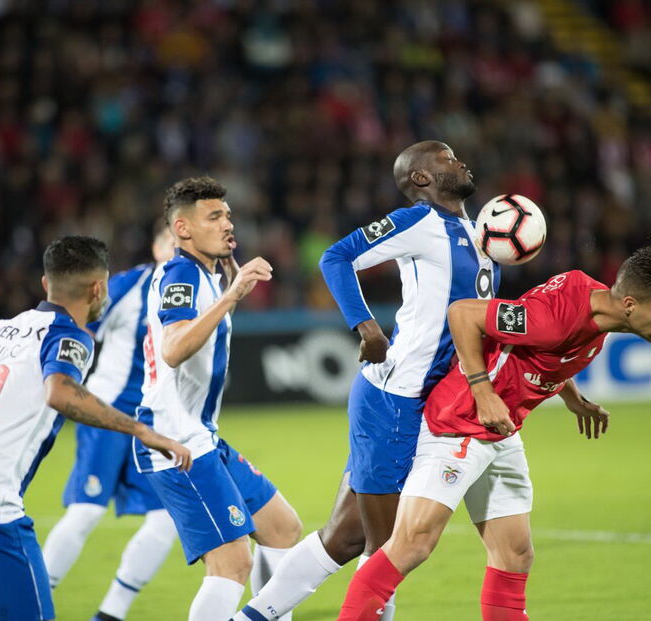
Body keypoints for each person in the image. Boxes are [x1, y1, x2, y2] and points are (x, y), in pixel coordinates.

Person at [336, 247, 651, 621]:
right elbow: (463, 314)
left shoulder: (593, 300)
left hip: (502, 432)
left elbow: (544, 355)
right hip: (460, 424)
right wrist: (483, 391)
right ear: (631, 304)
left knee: (515, 554)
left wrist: (573, 398)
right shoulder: (551, 320)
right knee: (413, 544)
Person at [234, 140, 496, 621]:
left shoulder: (477, 233)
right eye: (445, 157)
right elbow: (336, 257)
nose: (459, 160)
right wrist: (366, 324)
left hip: (422, 404)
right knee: (387, 553)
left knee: (345, 538)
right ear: (421, 178)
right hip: (394, 400)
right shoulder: (420, 221)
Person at [0, 235, 191, 621]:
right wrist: (141, 431)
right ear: (98, 288)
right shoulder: (69, 335)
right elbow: (59, 392)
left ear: (46, 284)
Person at [137, 176, 302, 621]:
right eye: (214, 217)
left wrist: (228, 283)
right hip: (174, 442)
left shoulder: (207, 272)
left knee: (283, 529)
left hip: (200, 434)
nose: (228, 223)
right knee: (232, 562)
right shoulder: (181, 274)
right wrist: (232, 295)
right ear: (183, 229)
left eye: (228, 214)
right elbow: (172, 350)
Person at [41, 224, 178, 621]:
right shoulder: (128, 287)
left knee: (166, 519)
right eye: (169, 241)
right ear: (155, 247)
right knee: (85, 512)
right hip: (107, 414)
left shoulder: (200, 293)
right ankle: (34, 602)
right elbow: (77, 324)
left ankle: (110, 614)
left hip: (154, 422)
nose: (177, 250)